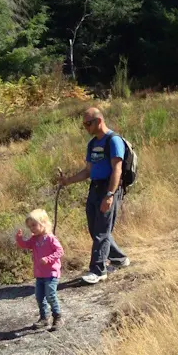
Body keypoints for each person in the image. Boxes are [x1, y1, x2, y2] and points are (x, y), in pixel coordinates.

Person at [57, 107, 130, 284]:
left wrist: (110, 194)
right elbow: (88, 171)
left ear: (99, 121)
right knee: (94, 228)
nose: (85, 128)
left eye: (88, 123)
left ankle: (98, 270)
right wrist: (68, 181)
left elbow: (117, 169)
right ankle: (120, 259)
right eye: (84, 124)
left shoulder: (113, 141)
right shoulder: (92, 144)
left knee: (101, 231)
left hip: (108, 187)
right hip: (94, 188)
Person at [15, 209, 65, 330]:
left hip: (51, 273)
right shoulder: (35, 239)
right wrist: (19, 239)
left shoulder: (50, 238)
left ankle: (58, 317)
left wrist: (49, 258)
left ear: (43, 223)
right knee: (39, 296)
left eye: (34, 225)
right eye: (30, 226)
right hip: (40, 274)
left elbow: (60, 251)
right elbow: (25, 245)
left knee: (50, 295)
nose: (32, 229)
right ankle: (44, 318)